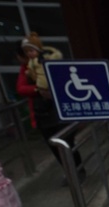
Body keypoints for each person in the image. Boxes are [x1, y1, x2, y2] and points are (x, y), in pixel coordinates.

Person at [20, 32, 86, 184]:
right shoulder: (27, 68)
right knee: (54, 146)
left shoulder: (50, 62)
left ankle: (78, 169)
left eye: (31, 50)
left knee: (67, 143)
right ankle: (69, 172)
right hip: (41, 113)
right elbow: (21, 88)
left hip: (59, 111)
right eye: (26, 51)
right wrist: (36, 90)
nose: (30, 54)